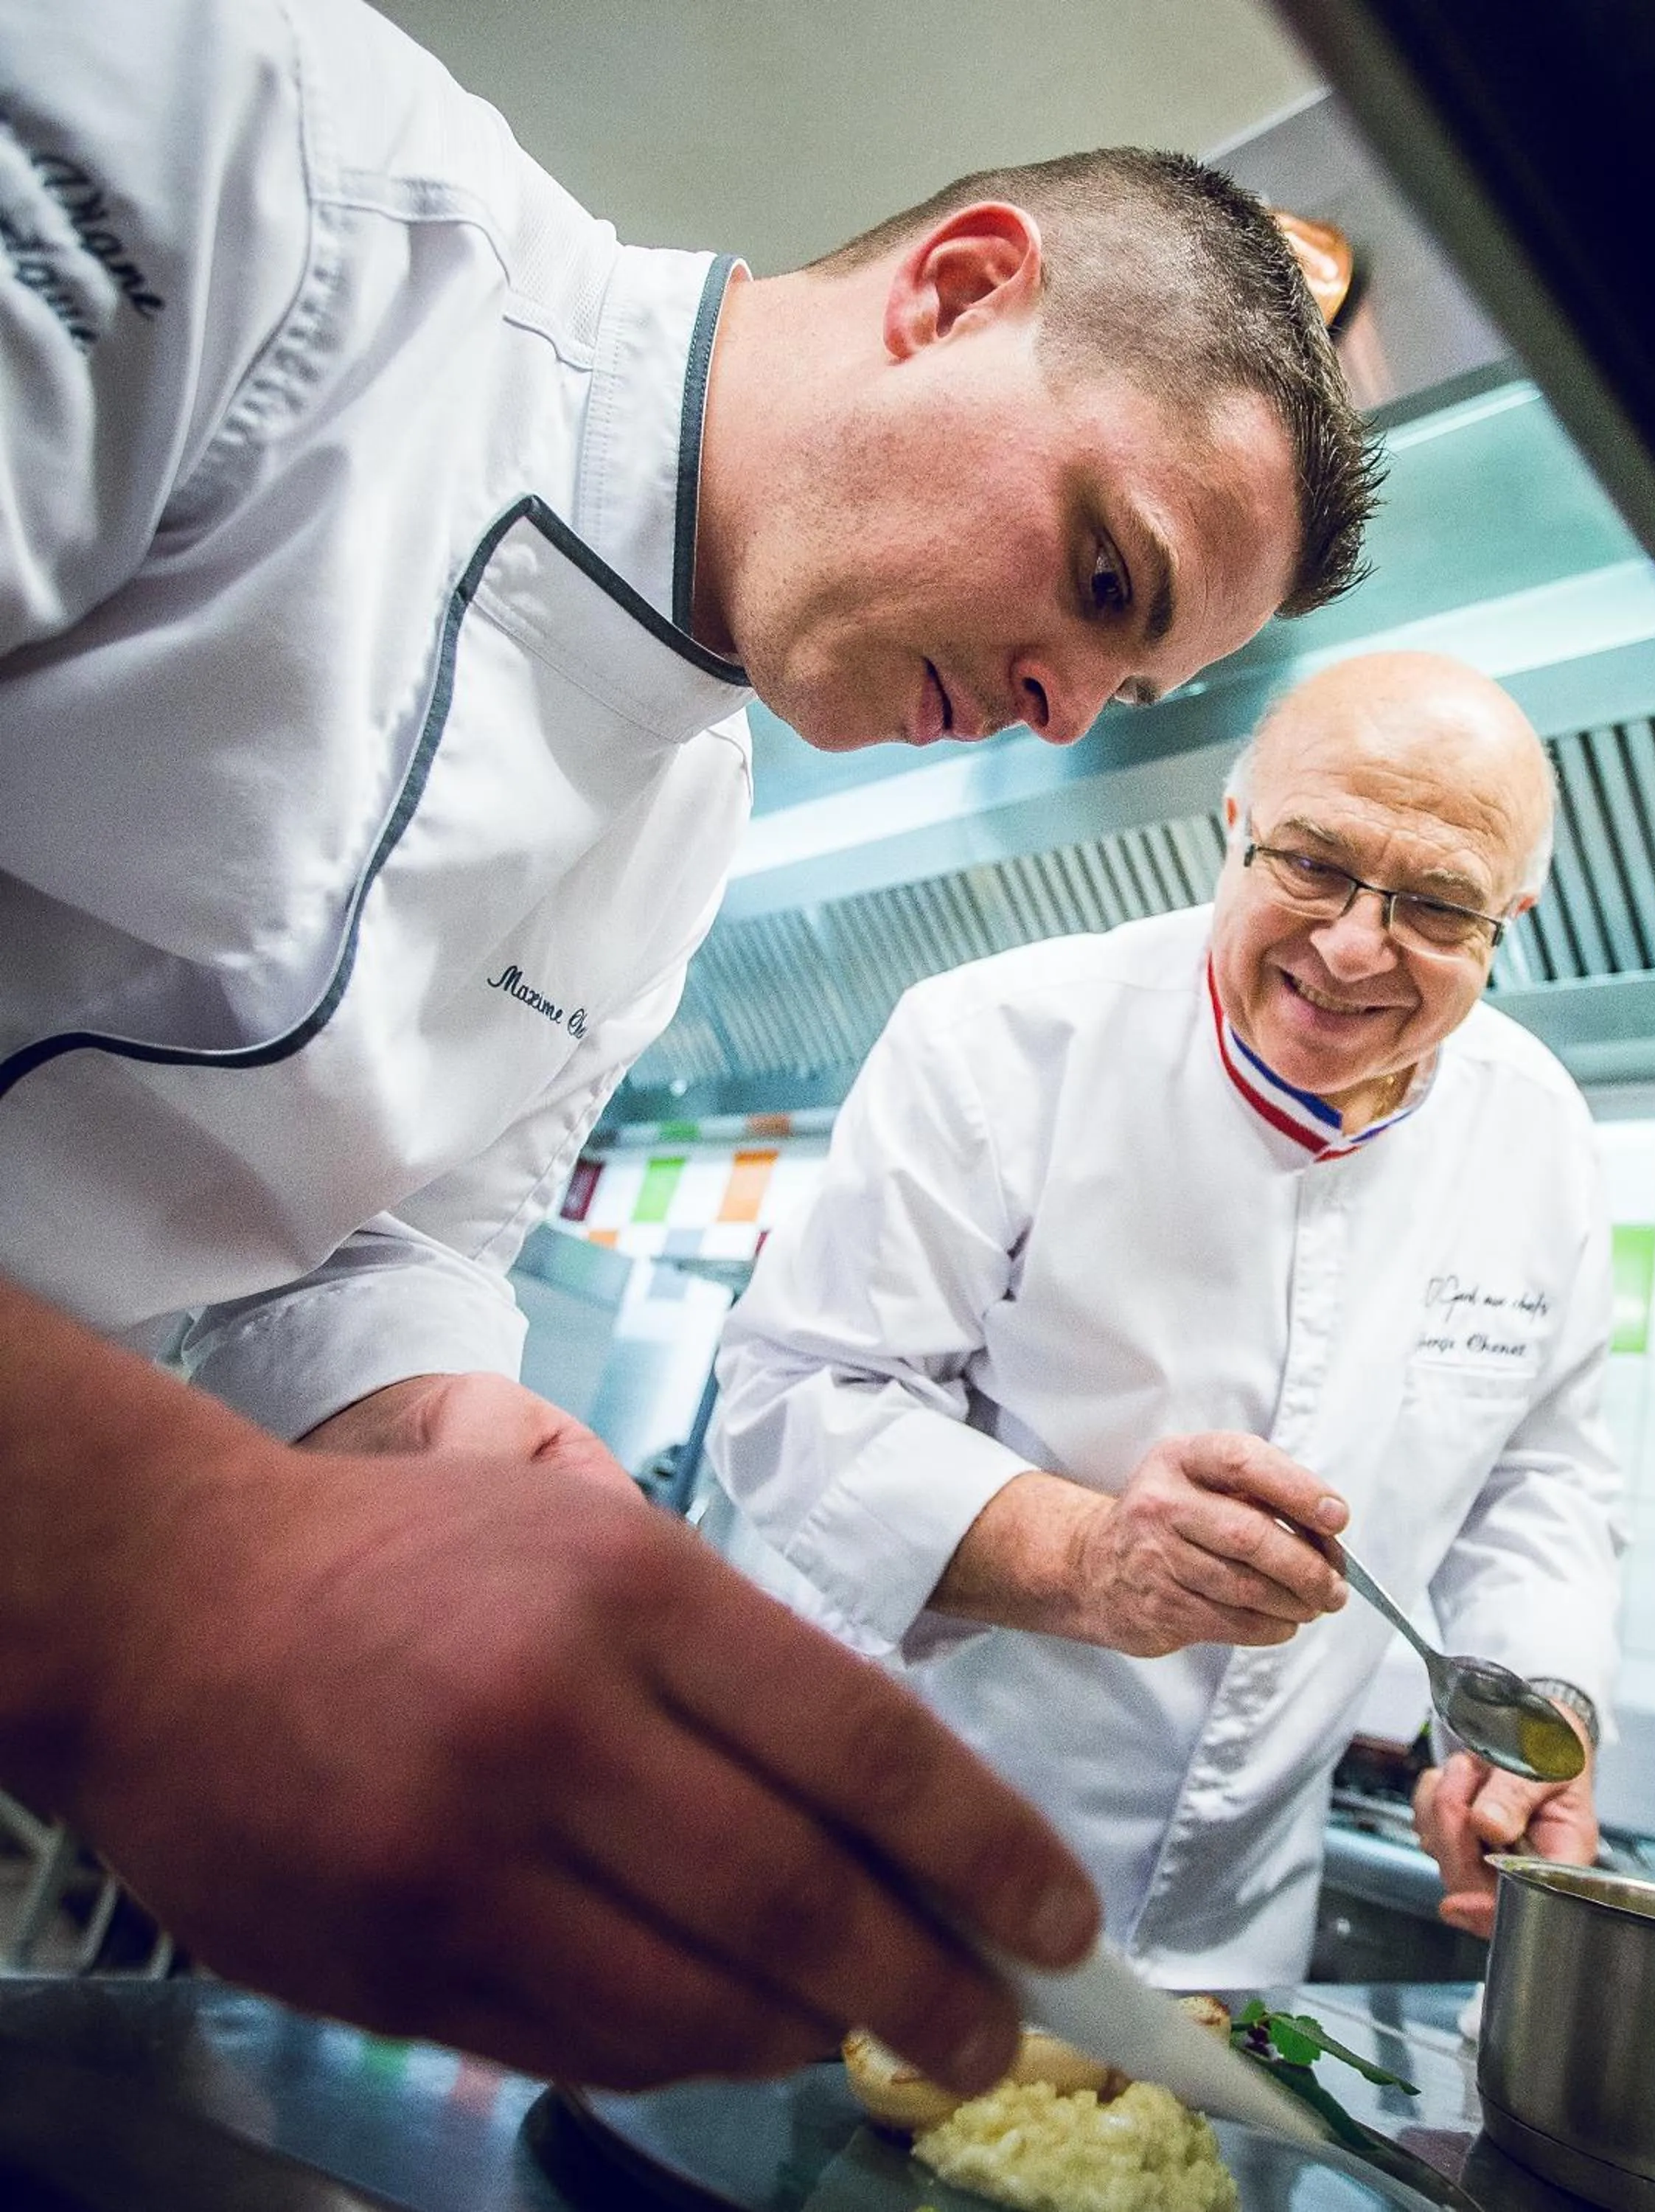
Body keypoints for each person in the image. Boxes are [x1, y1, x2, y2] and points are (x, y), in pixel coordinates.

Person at [0, 0, 1378, 2089]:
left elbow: (390, 1247)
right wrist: (149, 1567)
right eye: (1105, 574)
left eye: (1128, 681)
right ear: (960, 290)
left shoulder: (689, 809)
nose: (1061, 704)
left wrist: (457, 1444)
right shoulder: (252, 158)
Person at [710, 651, 1628, 1984]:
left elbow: (1542, 1485)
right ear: (1234, 828)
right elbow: (800, 1400)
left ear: (1511, 916)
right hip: (889, 1881)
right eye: (1312, 863)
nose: (1357, 945)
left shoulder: (1538, 1128)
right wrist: (1086, 1556)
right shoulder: (995, 1043)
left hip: (1229, 1948)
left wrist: (1536, 1717)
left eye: (1437, 904)